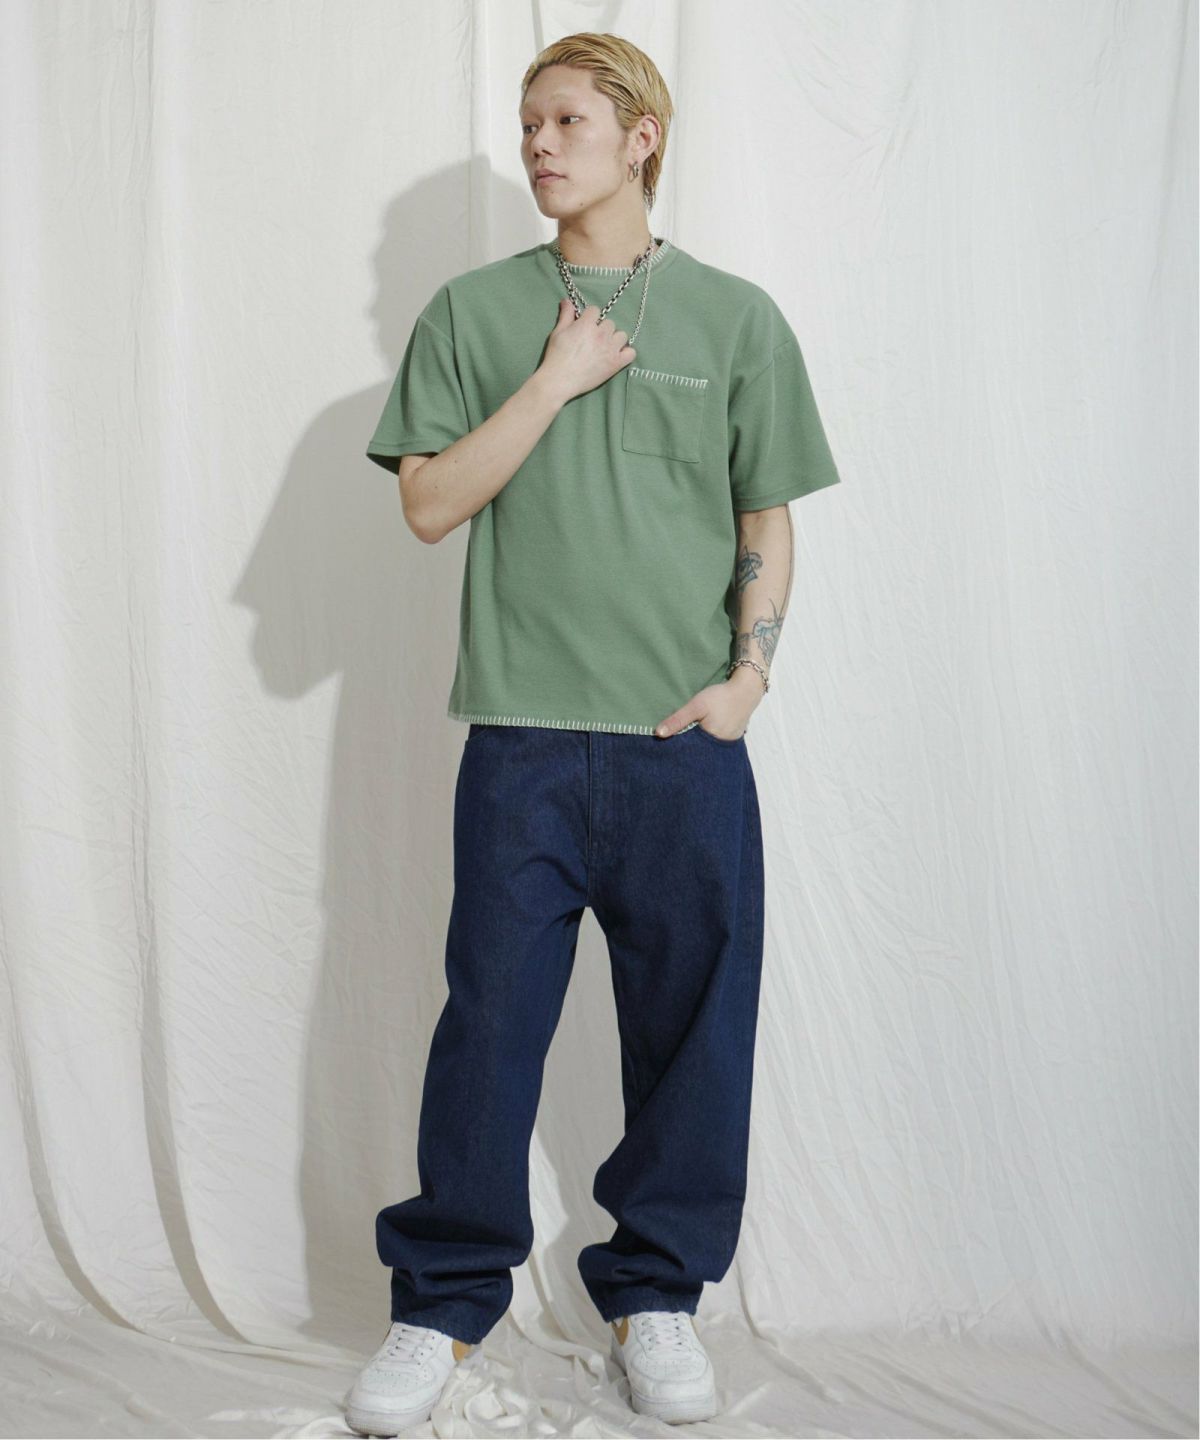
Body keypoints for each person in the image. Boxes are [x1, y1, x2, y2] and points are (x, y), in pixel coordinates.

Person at [345, 30, 841, 1437]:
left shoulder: (736, 320)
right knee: (488, 1029)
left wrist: (748, 683)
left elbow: (765, 519)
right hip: (521, 739)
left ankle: (656, 1298)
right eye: (528, 122)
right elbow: (429, 503)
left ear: (642, 136)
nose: (539, 144)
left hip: (684, 742)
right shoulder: (474, 311)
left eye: (567, 119)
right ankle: (443, 1310)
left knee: (694, 1032)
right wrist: (554, 380)